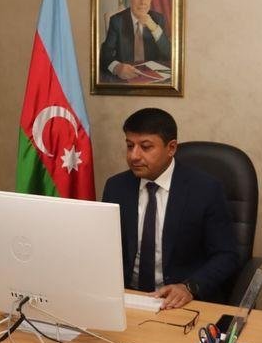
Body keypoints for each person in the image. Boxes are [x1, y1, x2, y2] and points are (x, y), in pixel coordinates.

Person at [102, 108, 239, 309]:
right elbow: (104, 247)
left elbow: (226, 255)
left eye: (145, 147)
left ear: (171, 148)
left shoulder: (205, 189)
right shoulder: (116, 187)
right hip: (128, 299)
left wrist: (189, 287)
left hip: (181, 302)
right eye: (130, 146)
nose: (134, 156)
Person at [100, 0, 171, 80]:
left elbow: (169, 54)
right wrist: (117, 68)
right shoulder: (117, 21)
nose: (143, 2)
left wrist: (154, 28)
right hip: (126, 76)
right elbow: (105, 54)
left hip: (151, 76)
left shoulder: (158, 19)